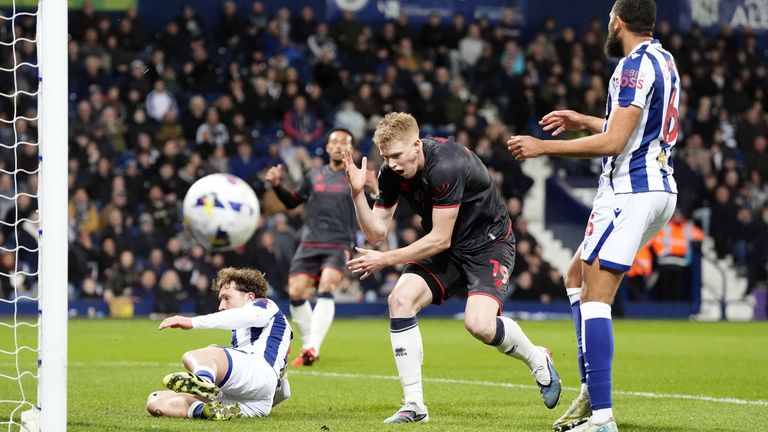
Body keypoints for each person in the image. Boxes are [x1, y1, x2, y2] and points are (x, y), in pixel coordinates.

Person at [507, 1, 678, 430]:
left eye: (608, 21)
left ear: (618, 22)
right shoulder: (664, 59)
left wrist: (542, 147)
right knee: (576, 277)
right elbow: (635, 129)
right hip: (658, 187)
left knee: (597, 299)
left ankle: (602, 415)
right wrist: (583, 120)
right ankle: (590, 390)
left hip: (630, 190)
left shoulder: (631, 66)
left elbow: (615, 142)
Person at [343, 112, 562, 424]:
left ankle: (537, 358)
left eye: (397, 155)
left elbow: (439, 239)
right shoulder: (391, 173)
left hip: (487, 245)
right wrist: (357, 195)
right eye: (386, 157)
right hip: (446, 247)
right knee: (399, 300)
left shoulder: (447, 164)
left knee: (479, 325)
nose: (392, 164)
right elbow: (376, 233)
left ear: (416, 145)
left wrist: (386, 259)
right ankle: (414, 405)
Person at [265, 128, 376, 366]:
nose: (337, 146)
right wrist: (277, 185)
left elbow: (377, 210)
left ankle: (311, 347)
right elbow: (292, 201)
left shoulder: (358, 176)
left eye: (343, 142)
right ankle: (309, 346)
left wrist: (375, 189)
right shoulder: (313, 175)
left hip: (339, 242)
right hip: (309, 241)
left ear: (352, 149)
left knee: (326, 287)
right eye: (333, 142)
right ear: (326, 147)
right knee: (296, 292)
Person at [146, 267, 292, 420]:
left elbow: (245, 316)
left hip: (258, 375)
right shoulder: (253, 332)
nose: (221, 306)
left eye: (227, 298)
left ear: (250, 297)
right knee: (155, 400)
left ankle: (204, 382)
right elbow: (285, 390)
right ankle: (206, 410)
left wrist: (192, 322)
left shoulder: (265, 305)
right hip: (256, 400)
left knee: (203, 354)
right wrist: (265, 401)